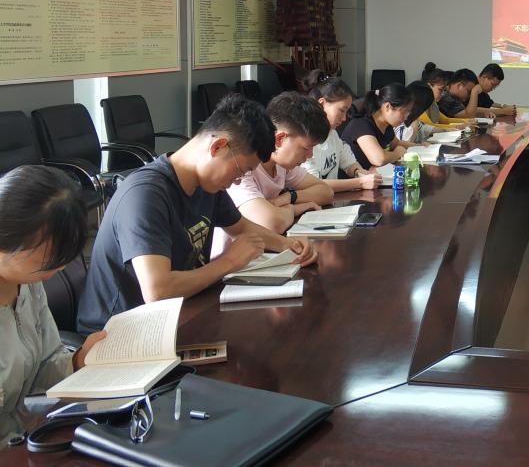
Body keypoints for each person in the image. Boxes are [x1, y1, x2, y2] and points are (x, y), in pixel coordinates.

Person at [78, 94, 318, 334]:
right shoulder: (145, 195)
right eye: (239, 171)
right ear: (217, 147)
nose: (236, 181)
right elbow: (158, 291)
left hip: (176, 316)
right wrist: (230, 262)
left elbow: (243, 228)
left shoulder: (206, 185)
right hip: (120, 332)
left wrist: (289, 245)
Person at [1, 166, 108, 442]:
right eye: (49, 261)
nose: (59, 269)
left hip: (26, 438)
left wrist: (77, 360)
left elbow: (44, 364)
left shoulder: (28, 283)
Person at [223, 91, 335, 237]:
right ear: (280, 139)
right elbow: (271, 223)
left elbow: (326, 192)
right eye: (306, 148)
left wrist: (289, 197)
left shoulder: (282, 166)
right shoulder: (243, 167)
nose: (310, 155)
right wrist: (293, 209)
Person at [302, 75, 381, 193]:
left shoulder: (333, 135)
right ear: (322, 104)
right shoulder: (305, 140)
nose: (344, 118)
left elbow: (349, 163)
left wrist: (359, 172)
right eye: (341, 110)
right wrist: (360, 182)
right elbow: (315, 184)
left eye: (346, 112)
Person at [342, 83, 413, 169]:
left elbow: (396, 143)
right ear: (387, 106)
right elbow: (378, 159)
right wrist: (397, 153)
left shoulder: (387, 125)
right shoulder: (361, 125)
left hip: (377, 174)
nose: (406, 117)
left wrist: (421, 146)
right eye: (404, 112)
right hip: (356, 176)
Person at [419, 64, 471, 129]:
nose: (443, 94)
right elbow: (430, 127)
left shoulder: (433, 103)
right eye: (440, 90)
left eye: (444, 90)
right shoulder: (418, 104)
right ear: (429, 86)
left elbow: (445, 120)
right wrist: (458, 126)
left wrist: (466, 121)